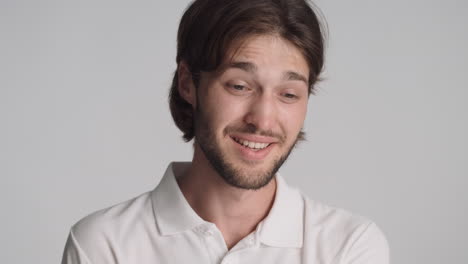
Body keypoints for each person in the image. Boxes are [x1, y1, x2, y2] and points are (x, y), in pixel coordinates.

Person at [61, 0, 390, 263]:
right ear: (188, 83)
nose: (262, 120)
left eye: (289, 94)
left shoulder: (348, 247)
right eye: (239, 86)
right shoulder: (104, 245)